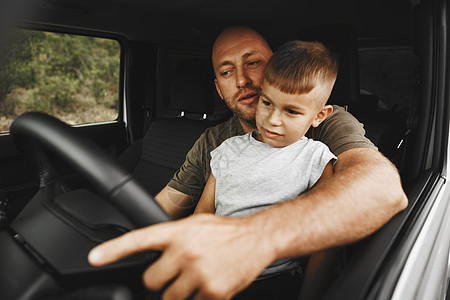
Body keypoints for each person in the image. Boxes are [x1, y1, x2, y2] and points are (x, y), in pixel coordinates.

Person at [88, 26, 408, 300]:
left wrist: (256, 237)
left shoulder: (324, 124)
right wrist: (106, 245)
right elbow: (168, 205)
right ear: (218, 87)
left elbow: (381, 188)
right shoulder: (219, 144)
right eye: (227, 72)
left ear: (274, 67)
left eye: (253, 62)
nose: (241, 80)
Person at [193, 40, 338, 299]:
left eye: (291, 111)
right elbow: (203, 216)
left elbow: (325, 240)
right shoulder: (227, 150)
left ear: (319, 116)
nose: (272, 120)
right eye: (267, 103)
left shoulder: (315, 159)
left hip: (272, 282)